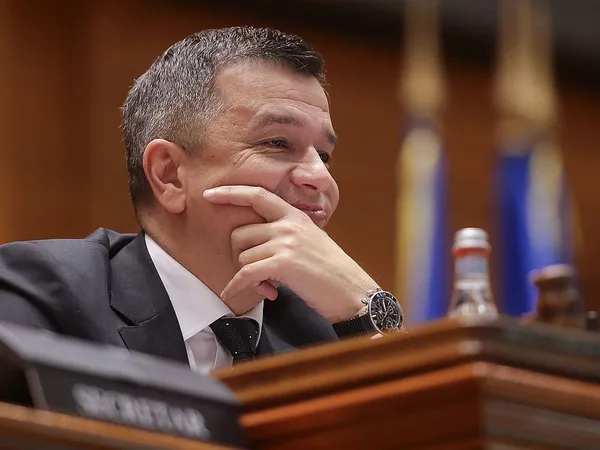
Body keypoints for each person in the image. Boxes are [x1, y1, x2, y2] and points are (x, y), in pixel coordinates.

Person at [0, 27, 402, 374]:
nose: (321, 178)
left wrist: (366, 308)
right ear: (170, 175)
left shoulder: (337, 328)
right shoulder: (46, 296)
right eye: (277, 143)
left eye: (324, 156)